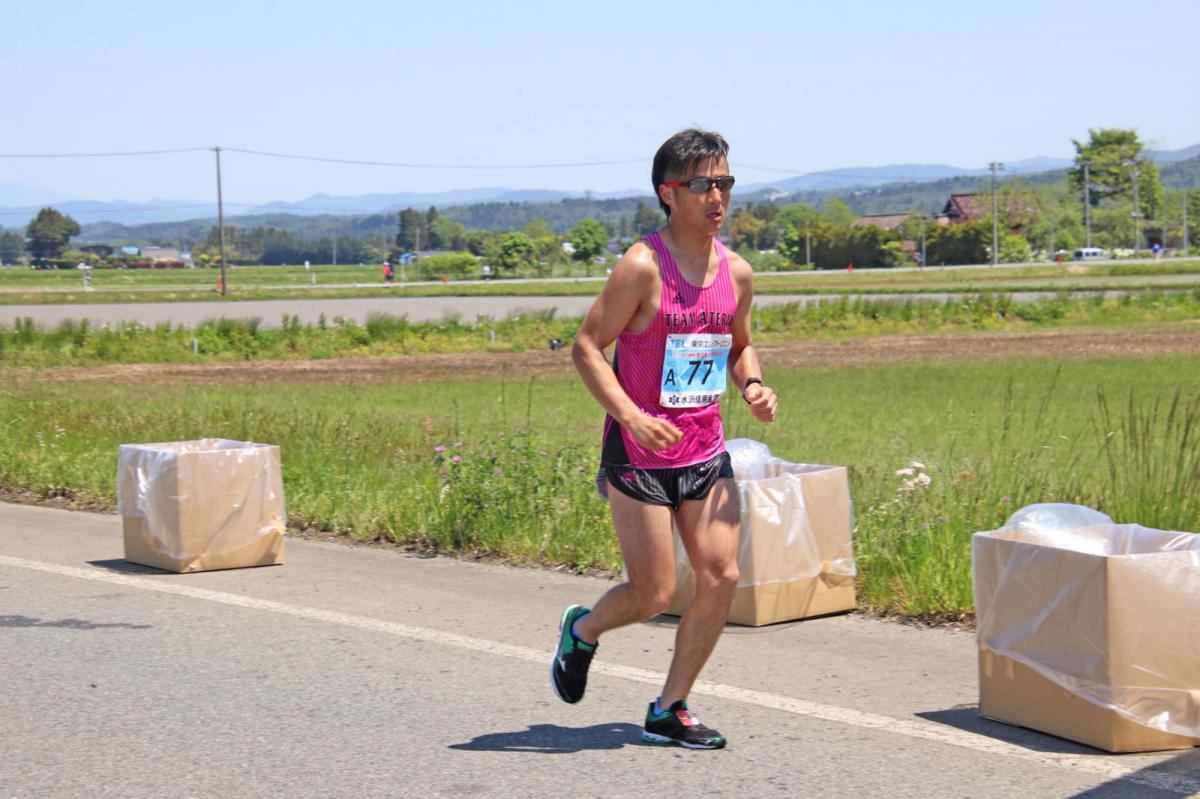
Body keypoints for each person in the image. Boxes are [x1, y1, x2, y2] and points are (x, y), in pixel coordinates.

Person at [555, 128, 777, 750]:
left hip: (705, 448)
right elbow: (586, 348)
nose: (717, 196)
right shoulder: (641, 266)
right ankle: (583, 630)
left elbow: (739, 344)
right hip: (641, 451)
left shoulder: (737, 270)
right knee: (652, 592)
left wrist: (753, 383)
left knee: (721, 574)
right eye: (703, 184)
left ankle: (670, 707)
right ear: (668, 192)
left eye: (725, 183)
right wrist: (630, 416)